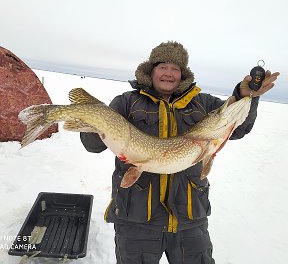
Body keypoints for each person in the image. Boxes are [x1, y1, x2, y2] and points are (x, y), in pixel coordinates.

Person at [80, 41, 280, 264]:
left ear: (182, 74)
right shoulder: (127, 102)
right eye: (163, 66)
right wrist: (94, 123)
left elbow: (238, 126)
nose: (169, 73)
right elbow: (93, 146)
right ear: (151, 70)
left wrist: (245, 96)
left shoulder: (203, 104)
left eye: (175, 68)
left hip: (190, 219)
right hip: (136, 219)